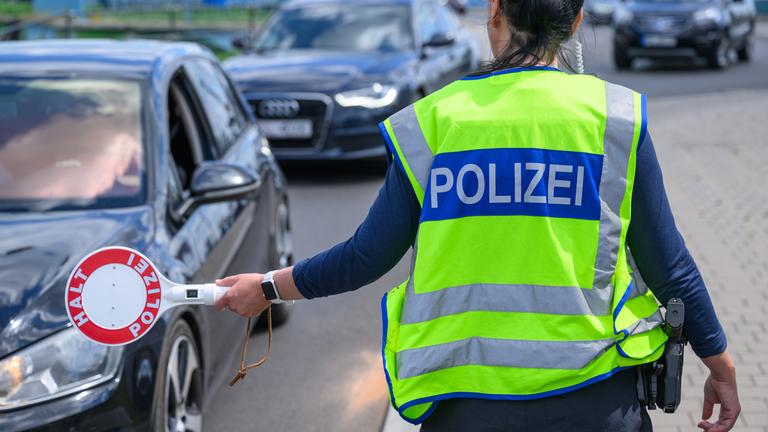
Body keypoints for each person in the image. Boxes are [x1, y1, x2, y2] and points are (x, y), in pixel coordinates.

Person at [215, 0, 741, 430]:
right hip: (596, 403)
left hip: (466, 407)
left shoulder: (434, 121)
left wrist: (264, 288)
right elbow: (670, 265)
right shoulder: (616, 118)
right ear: (576, 21)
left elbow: (365, 256)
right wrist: (718, 362)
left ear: (494, 12)